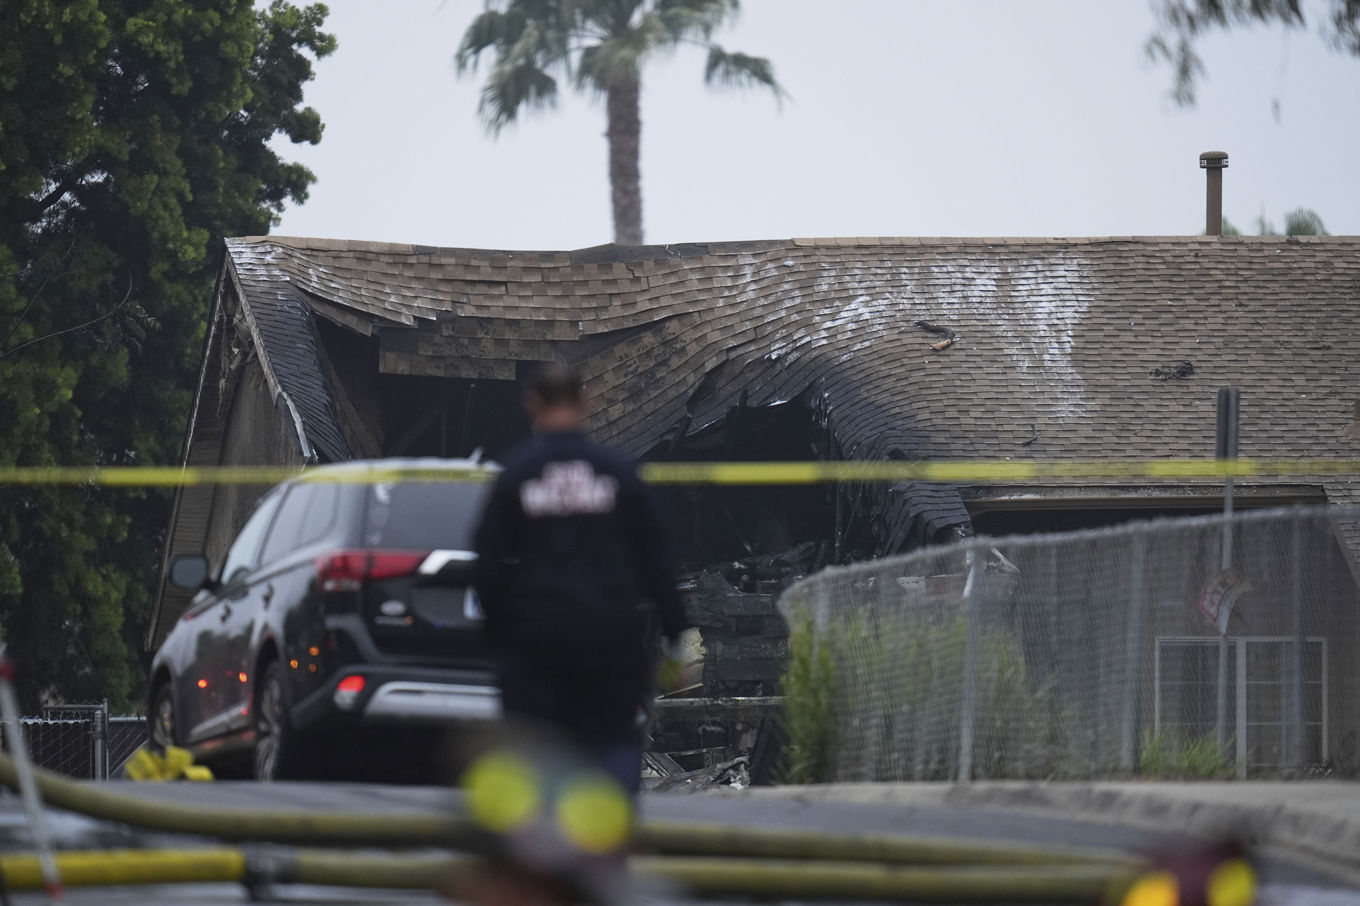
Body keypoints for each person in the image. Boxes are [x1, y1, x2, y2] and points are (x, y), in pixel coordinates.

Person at [472, 363, 690, 798]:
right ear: (584, 402)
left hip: (536, 640)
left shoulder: (516, 474)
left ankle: (541, 850)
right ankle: (605, 842)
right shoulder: (617, 473)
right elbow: (656, 558)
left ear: (532, 404)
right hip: (609, 636)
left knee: (532, 753)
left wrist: (499, 632)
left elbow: (487, 562)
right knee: (610, 744)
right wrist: (675, 633)